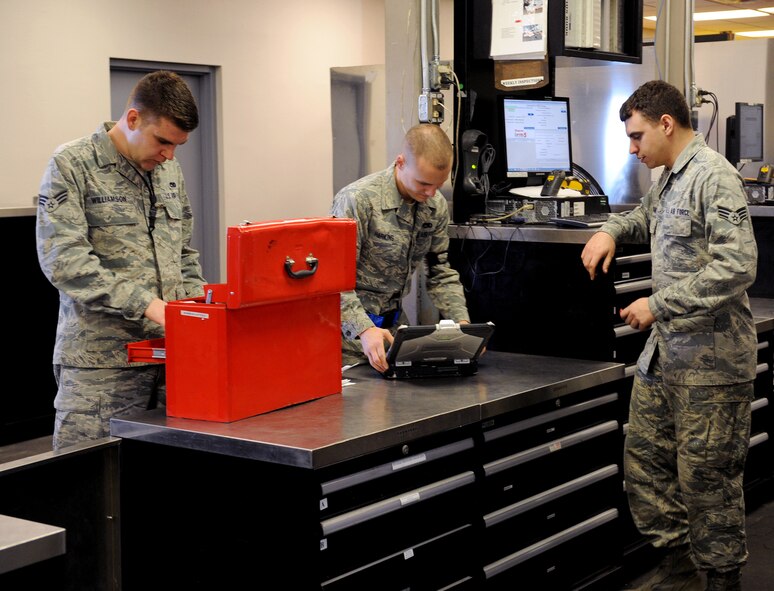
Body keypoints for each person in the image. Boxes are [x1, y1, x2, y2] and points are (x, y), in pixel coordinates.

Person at [581, 80, 757, 591]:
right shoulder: (669, 178)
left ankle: (722, 581)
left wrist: (657, 305)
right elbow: (648, 216)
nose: (631, 149)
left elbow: (737, 265)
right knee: (645, 469)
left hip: (713, 365)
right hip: (665, 362)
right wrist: (610, 229)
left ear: (665, 123)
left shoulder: (713, 177)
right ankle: (679, 570)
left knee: (709, 488)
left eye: (637, 136)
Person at [36, 70, 206, 450]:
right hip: (102, 368)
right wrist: (147, 305)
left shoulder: (168, 170)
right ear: (132, 119)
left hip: (170, 363)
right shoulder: (73, 164)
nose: (169, 155)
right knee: (90, 490)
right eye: (162, 141)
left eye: (178, 146)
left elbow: (184, 253)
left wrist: (200, 310)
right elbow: (64, 261)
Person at [330, 123, 470, 372]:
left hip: (395, 337)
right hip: (347, 342)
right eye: (423, 183)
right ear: (401, 162)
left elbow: (440, 272)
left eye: (437, 186)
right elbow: (334, 281)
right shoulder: (357, 200)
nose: (430, 193)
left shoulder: (435, 206)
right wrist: (363, 329)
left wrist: (462, 325)